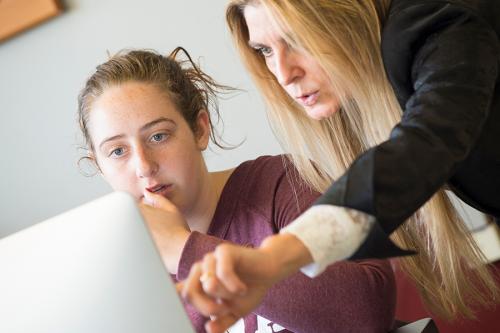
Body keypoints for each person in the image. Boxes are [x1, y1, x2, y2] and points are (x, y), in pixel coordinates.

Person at [180, 1, 500, 332]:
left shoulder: (432, 24)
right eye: (264, 50)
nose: (284, 73)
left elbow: (427, 142)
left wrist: (274, 259)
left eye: (297, 39)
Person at [77, 48, 397, 333]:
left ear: (200, 129)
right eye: (117, 152)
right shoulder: (119, 274)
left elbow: (368, 315)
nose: (144, 166)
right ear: (100, 166)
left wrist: (184, 249)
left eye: (158, 136)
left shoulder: (282, 183)